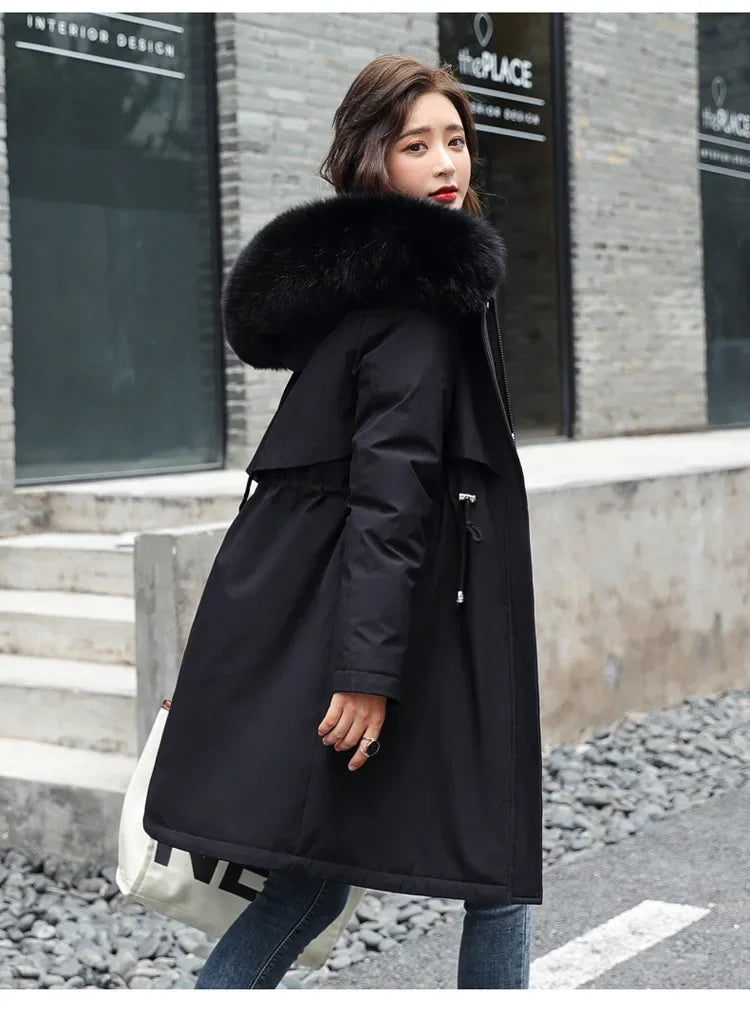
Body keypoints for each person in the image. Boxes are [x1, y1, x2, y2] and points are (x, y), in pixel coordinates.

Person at [143, 54, 543, 990]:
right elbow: (387, 495)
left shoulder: (372, 289)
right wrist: (365, 676)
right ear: (373, 160)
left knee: (314, 881)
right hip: (397, 630)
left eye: (455, 141)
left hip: (369, 616)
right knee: (491, 869)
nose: (445, 164)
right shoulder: (417, 300)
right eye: (416, 146)